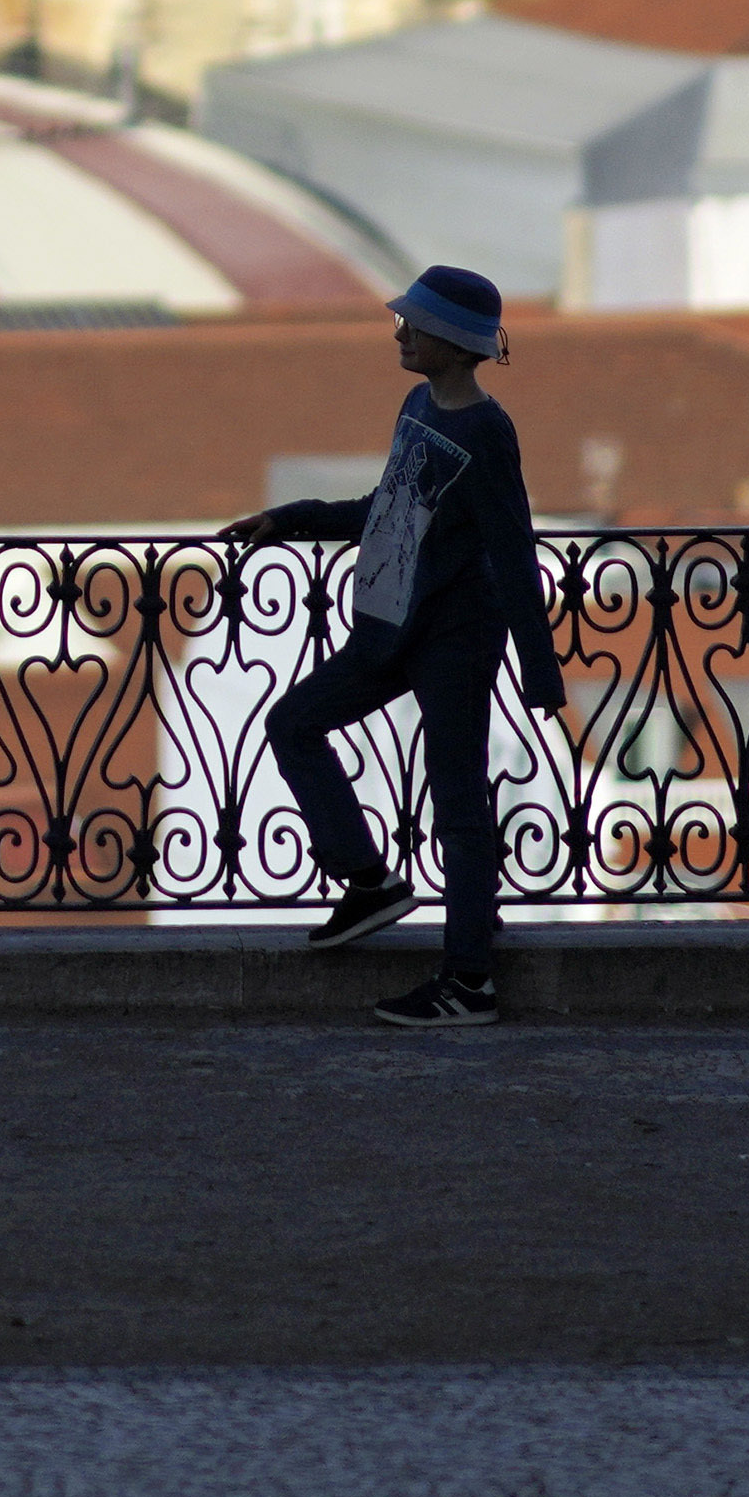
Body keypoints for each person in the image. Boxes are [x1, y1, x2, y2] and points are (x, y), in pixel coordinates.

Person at [229, 264, 572, 1030]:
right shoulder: (418, 404)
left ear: (452, 343)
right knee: (293, 723)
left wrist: (538, 671)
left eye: (414, 325)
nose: (401, 333)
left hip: (455, 634)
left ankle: (469, 981)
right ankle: (370, 883)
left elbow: (513, 550)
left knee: (458, 801)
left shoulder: (487, 430)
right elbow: (385, 508)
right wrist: (288, 520)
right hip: (390, 623)